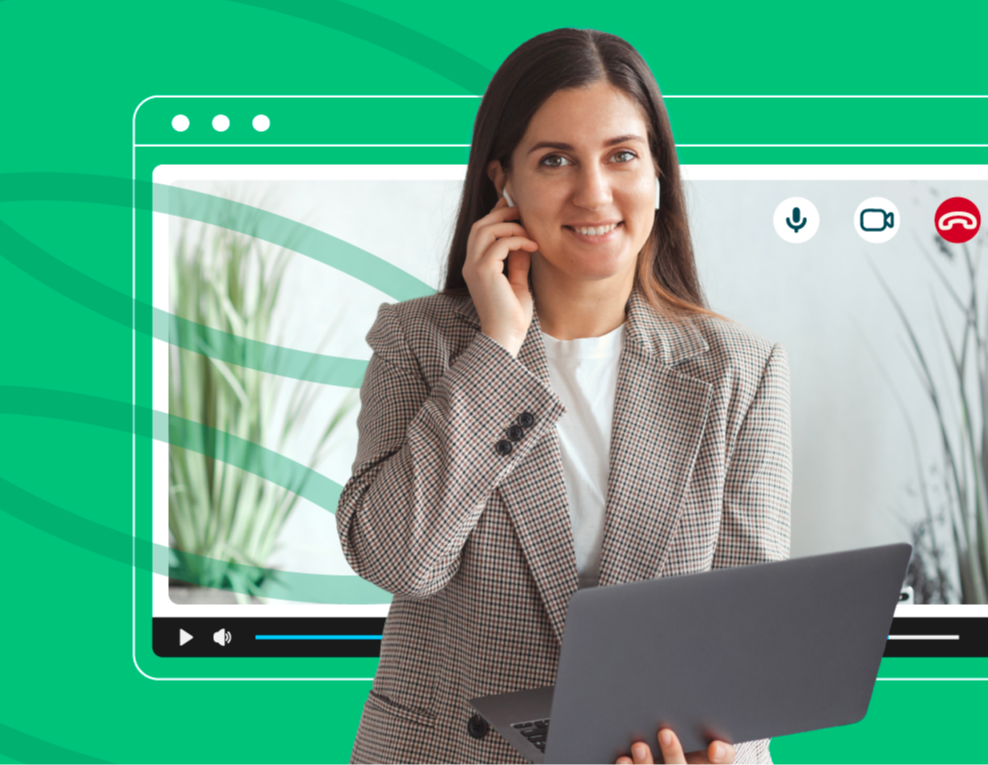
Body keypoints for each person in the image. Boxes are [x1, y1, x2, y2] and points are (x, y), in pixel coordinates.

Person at [336, 27, 791, 765]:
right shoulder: (417, 341)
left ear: (658, 174)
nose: (594, 192)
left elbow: (742, 644)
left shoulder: (741, 370)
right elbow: (397, 559)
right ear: (502, 183)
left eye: (621, 155)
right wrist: (494, 350)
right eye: (555, 160)